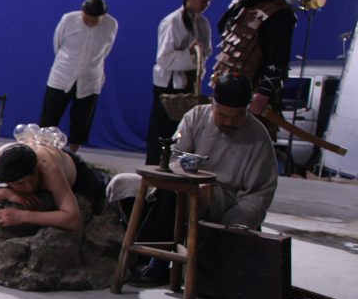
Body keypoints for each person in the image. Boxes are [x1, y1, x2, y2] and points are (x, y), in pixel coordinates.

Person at [109, 75, 279, 281]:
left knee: (174, 195)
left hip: (221, 198)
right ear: (212, 103)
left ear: (247, 108)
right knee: (123, 184)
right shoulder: (196, 116)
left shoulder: (258, 137)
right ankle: (133, 247)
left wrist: (236, 221)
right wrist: (195, 180)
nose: (229, 122)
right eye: (222, 115)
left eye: (236, 117)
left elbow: (259, 192)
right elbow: (174, 157)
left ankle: (153, 262)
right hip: (184, 181)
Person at [0, 127, 109, 232]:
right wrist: (4, 193)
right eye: (20, 183)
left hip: (76, 172)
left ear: (36, 168)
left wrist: (23, 216)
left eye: (33, 178)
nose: (29, 187)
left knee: (106, 188)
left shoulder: (47, 166)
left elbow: (73, 220)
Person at [210, 0, 295, 125]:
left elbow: (278, 58)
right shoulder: (239, 3)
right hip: (226, 91)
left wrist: (263, 93)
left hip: (253, 94)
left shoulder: (278, 12)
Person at [145, 0, 215, 164]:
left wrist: (198, 59)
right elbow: (164, 58)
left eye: (209, 1)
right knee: (162, 130)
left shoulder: (203, 23)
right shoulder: (172, 21)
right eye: (203, 0)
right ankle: (155, 166)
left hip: (190, 83)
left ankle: (176, 166)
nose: (206, 4)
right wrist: (190, 53)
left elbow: (206, 51)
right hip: (169, 85)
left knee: (183, 130)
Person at [39, 0, 119, 149]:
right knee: (50, 116)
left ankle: (74, 152)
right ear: (82, 12)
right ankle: (43, 150)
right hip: (63, 74)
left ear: (103, 16)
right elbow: (57, 44)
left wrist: (90, 65)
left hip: (90, 77)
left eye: (95, 20)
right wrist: (69, 63)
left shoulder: (111, 24)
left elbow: (106, 50)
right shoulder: (69, 19)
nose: (90, 22)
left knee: (82, 120)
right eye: (87, 18)